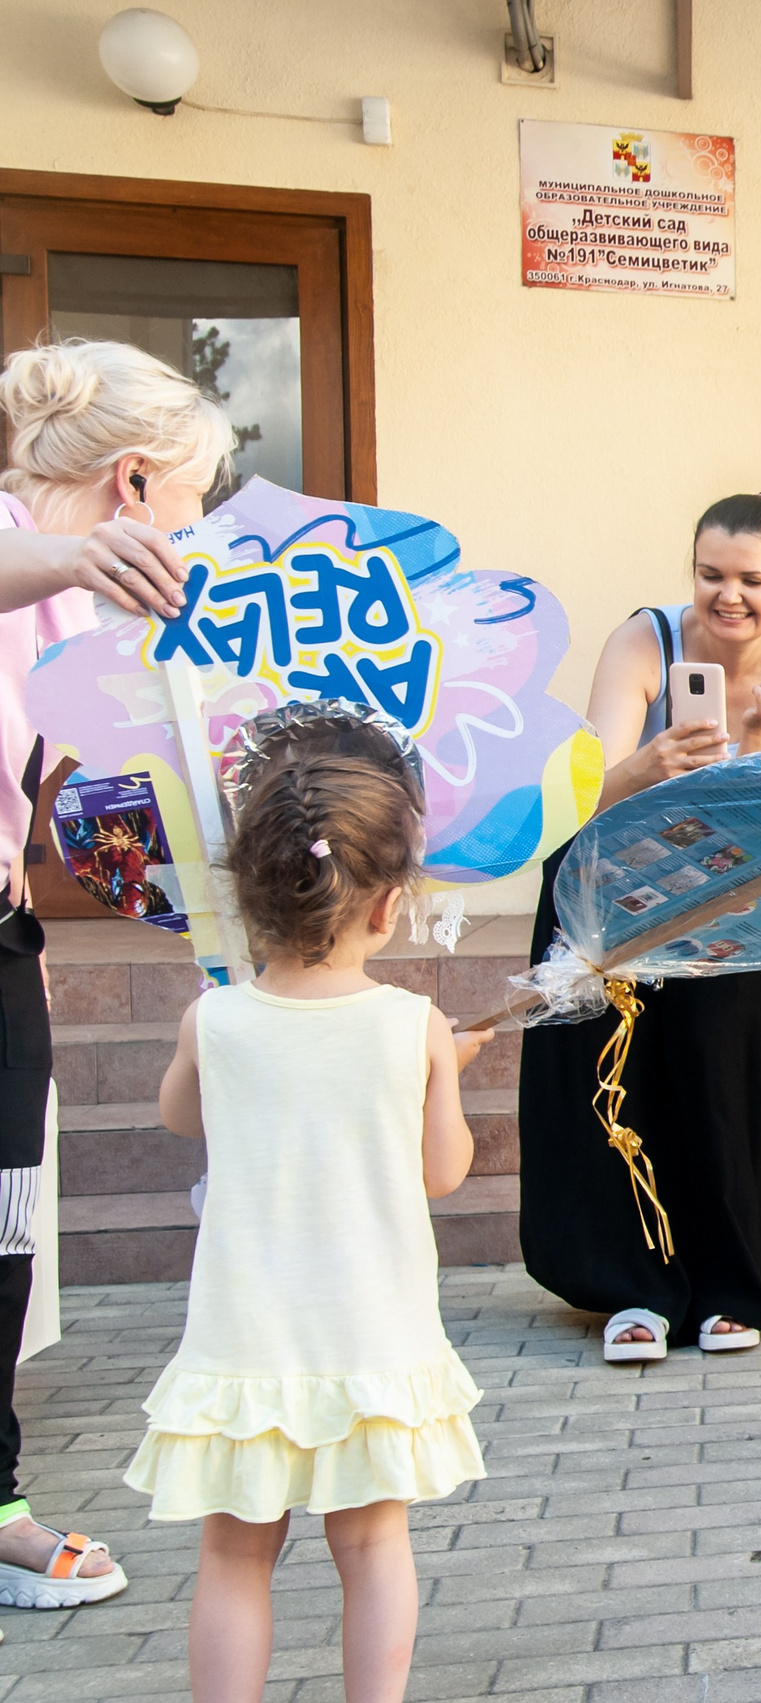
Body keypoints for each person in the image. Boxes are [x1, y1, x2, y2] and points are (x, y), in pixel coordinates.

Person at [133, 736, 486, 1701]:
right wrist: (442, 1072)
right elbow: (442, 1171)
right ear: (386, 901)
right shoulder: (411, 1023)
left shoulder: (214, 1019)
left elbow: (179, 1116)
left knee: (235, 1553)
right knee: (371, 1543)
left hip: (245, 1337)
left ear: (251, 895)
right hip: (370, 1332)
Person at [0, 338, 235, 1608]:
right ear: (136, 484)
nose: (185, 541)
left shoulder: (59, 615)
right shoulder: (30, 555)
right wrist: (75, 556)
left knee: (2, 1230)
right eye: (189, 509)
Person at [517, 493, 761, 1363]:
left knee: (721, 1080)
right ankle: (633, 1289)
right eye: (709, 575)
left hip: (732, 899)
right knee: (614, 1083)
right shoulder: (643, 641)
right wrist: (646, 766)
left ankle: (732, 1283)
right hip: (610, 885)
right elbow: (580, 800)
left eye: (750, 579)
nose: (727, 595)